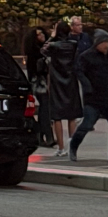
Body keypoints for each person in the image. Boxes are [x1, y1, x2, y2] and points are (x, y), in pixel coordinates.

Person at [69, 30, 108, 163]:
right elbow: (78, 71)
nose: (106, 45)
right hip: (94, 98)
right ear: (97, 43)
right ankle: (73, 145)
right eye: (104, 42)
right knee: (87, 124)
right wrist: (87, 86)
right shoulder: (86, 56)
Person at [39, 20, 82, 158]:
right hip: (71, 81)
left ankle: (61, 148)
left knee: (56, 116)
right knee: (72, 116)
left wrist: (52, 36)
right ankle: (72, 147)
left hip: (57, 82)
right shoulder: (74, 45)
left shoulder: (53, 46)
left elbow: (42, 50)